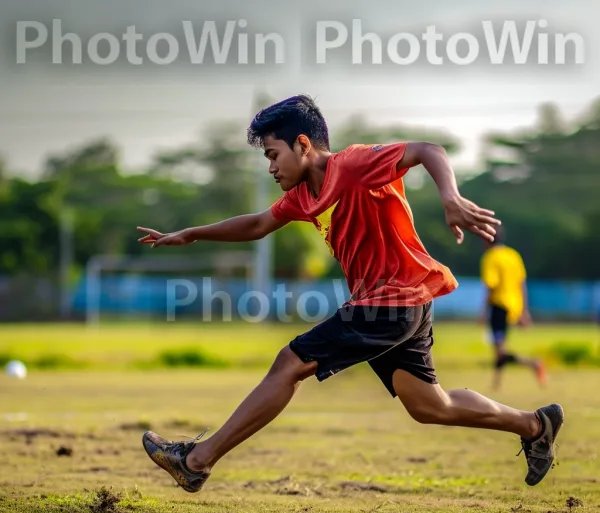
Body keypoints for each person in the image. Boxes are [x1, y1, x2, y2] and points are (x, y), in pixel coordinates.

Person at [136, 95, 563, 492]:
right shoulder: (303, 196)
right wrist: (189, 234)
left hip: (392, 300)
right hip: (399, 303)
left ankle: (197, 461)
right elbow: (256, 224)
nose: (270, 167)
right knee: (430, 405)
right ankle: (534, 425)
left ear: (302, 145)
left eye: (272, 154)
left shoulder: (356, 164)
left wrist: (450, 196)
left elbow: (428, 149)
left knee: (289, 363)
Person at [481, 226, 547, 390]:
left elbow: (492, 286)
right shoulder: (513, 255)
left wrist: (483, 311)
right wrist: (524, 311)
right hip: (513, 306)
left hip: (499, 305)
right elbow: (522, 284)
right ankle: (496, 384)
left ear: (487, 240)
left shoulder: (491, 257)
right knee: (499, 348)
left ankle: (533, 363)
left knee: (500, 350)